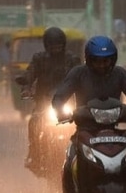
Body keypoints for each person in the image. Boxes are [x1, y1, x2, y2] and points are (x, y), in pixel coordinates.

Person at [52, 35, 126, 193]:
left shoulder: (120, 74)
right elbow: (59, 97)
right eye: (97, 61)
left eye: (106, 61)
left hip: (114, 133)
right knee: (69, 162)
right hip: (83, 133)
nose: (102, 65)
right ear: (89, 60)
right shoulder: (78, 73)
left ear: (113, 59)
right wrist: (60, 111)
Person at [17, 27, 81, 172]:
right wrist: (26, 85)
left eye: (59, 46)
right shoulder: (39, 59)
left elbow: (81, 76)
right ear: (47, 46)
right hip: (43, 103)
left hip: (67, 103)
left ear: (64, 44)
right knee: (33, 123)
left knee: (83, 124)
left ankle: (84, 153)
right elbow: (30, 73)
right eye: (53, 46)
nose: (56, 49)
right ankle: (33, 154)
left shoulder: (72, 59)